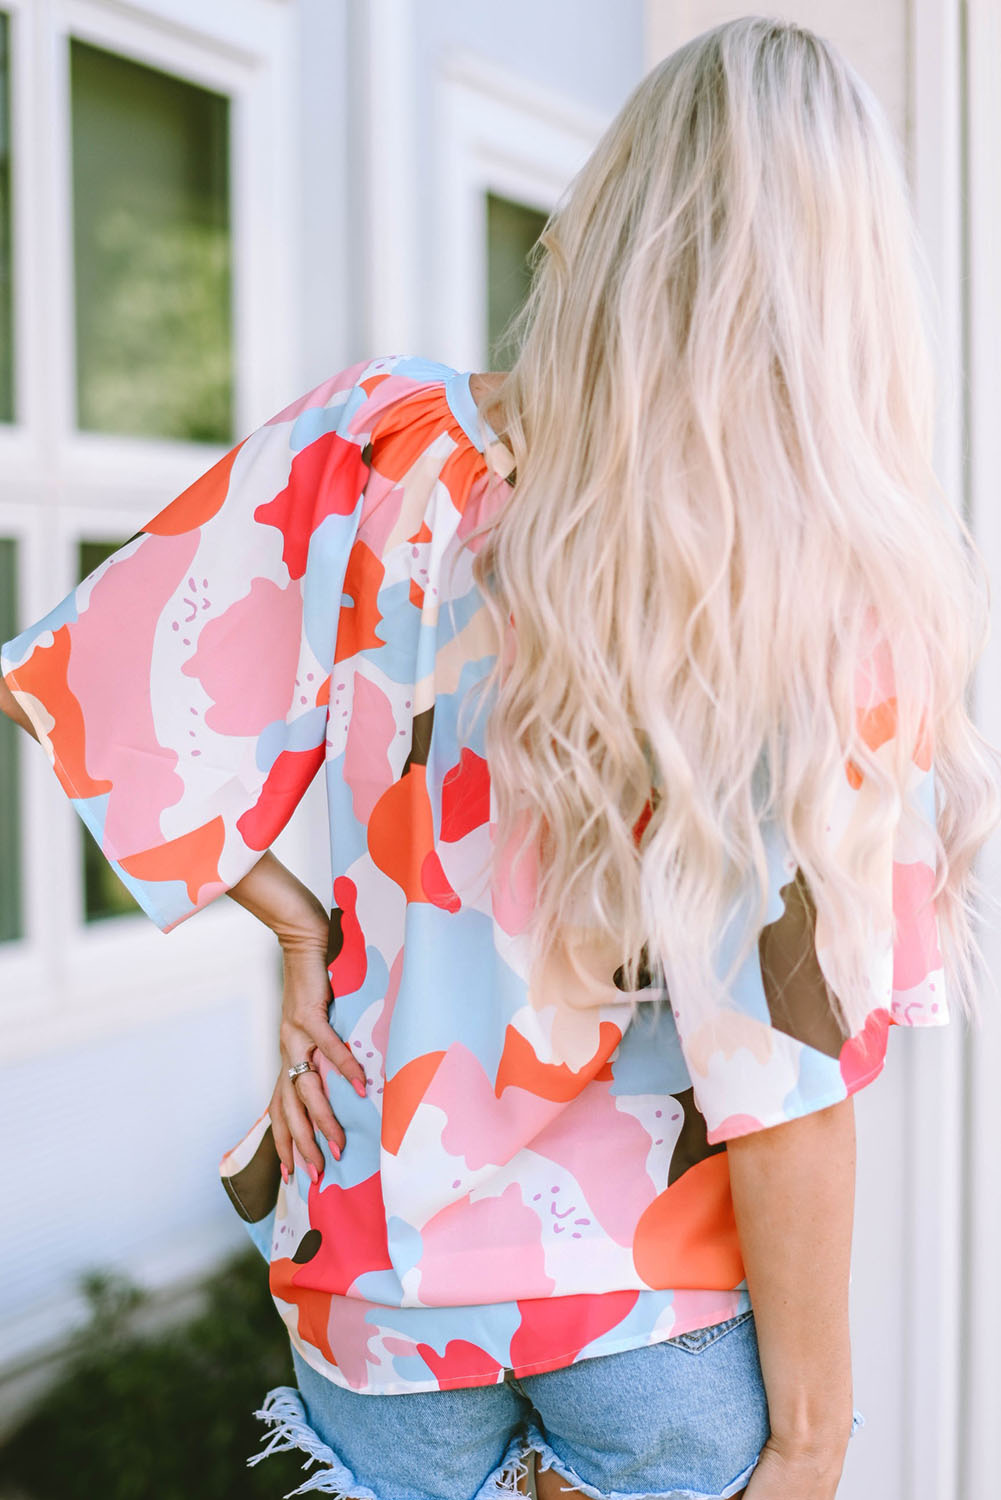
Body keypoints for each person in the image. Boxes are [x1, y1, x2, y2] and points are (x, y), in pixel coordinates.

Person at [2, 15, 999, 1500]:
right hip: (649, 1313)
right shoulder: (792, 591)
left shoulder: (375, 442)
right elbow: (780, 1074)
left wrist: (301, 928)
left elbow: (97, 676)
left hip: (379, 1294)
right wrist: (807, 1444)